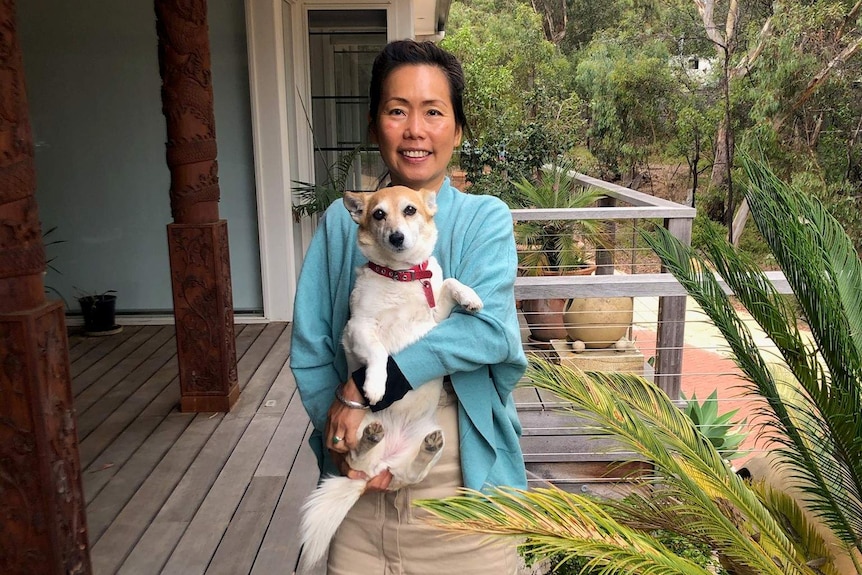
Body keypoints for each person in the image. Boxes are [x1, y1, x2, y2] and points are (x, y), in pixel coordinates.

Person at [290, 39, 527, 574]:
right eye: (396, 111)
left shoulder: (484, 219)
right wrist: (338, 435)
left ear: (457, 131)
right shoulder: (341, 223)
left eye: (433, 112)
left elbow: (488, 333)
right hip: (361, 477)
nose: (414, 129)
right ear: (376, 126)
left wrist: (364, 388)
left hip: (460, 480)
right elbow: (310, 347)